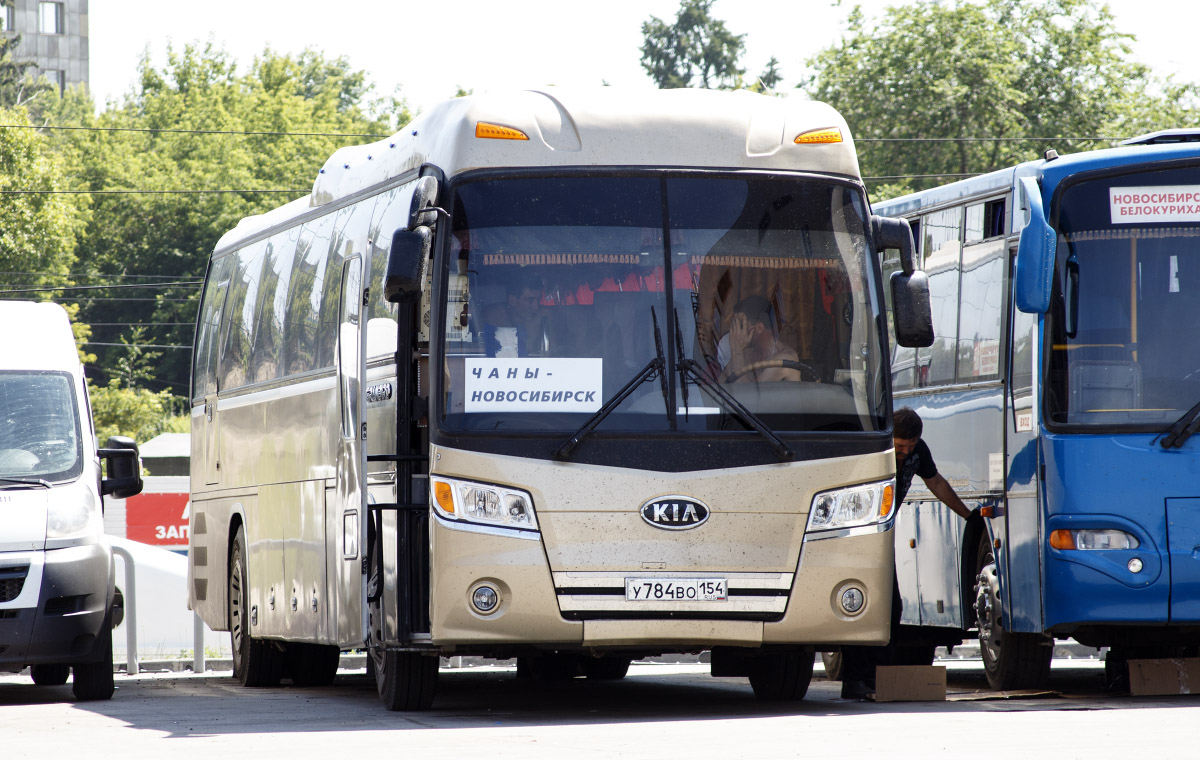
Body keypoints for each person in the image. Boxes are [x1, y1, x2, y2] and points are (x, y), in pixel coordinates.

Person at [839, 406, 971, 700]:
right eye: (900, 446)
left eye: (909, 446)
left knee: (891, 608)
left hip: (883, 536)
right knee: (866, 607)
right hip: (857, 537)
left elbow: (935, 482)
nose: (904, 451)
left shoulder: (917, 451)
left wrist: (967, 516)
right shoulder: (876, 449)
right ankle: (855, 680)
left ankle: (880, 679)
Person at [722, 295, 802, 382]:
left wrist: (737, 351)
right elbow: (719, 385)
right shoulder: (748, 354)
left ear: (759, 328)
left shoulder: (786, 359)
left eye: (741, 325)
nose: (736, 332)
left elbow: (748, 394)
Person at [482, 271, 548, 357]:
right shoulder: (494, 315)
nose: (536, 307)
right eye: (530, 300)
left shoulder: (543, 315)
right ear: (512, 300)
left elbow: (553, 354)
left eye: (538, 299)